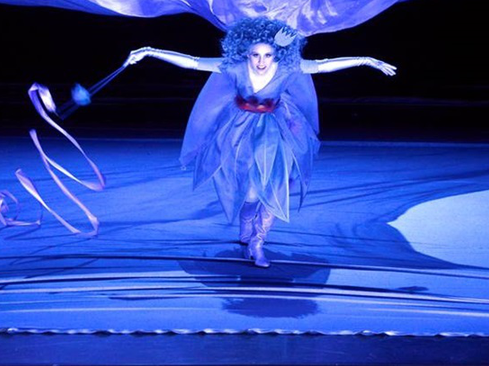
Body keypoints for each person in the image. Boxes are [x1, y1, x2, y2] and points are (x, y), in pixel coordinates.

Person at [124, 17, 396, 268]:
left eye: (267, 55)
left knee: (276, 186)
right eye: (256, 55)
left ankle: (258, 241)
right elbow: (193, 62)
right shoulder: (234, 67)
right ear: (246, 53)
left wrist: (365, 60)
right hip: (239, 130)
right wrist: (150, 51)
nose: (261, 61)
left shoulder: (287, 68)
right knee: (251, 194)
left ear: (277, 54)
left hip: (277, 129)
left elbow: (323, 65)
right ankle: (246, 222)